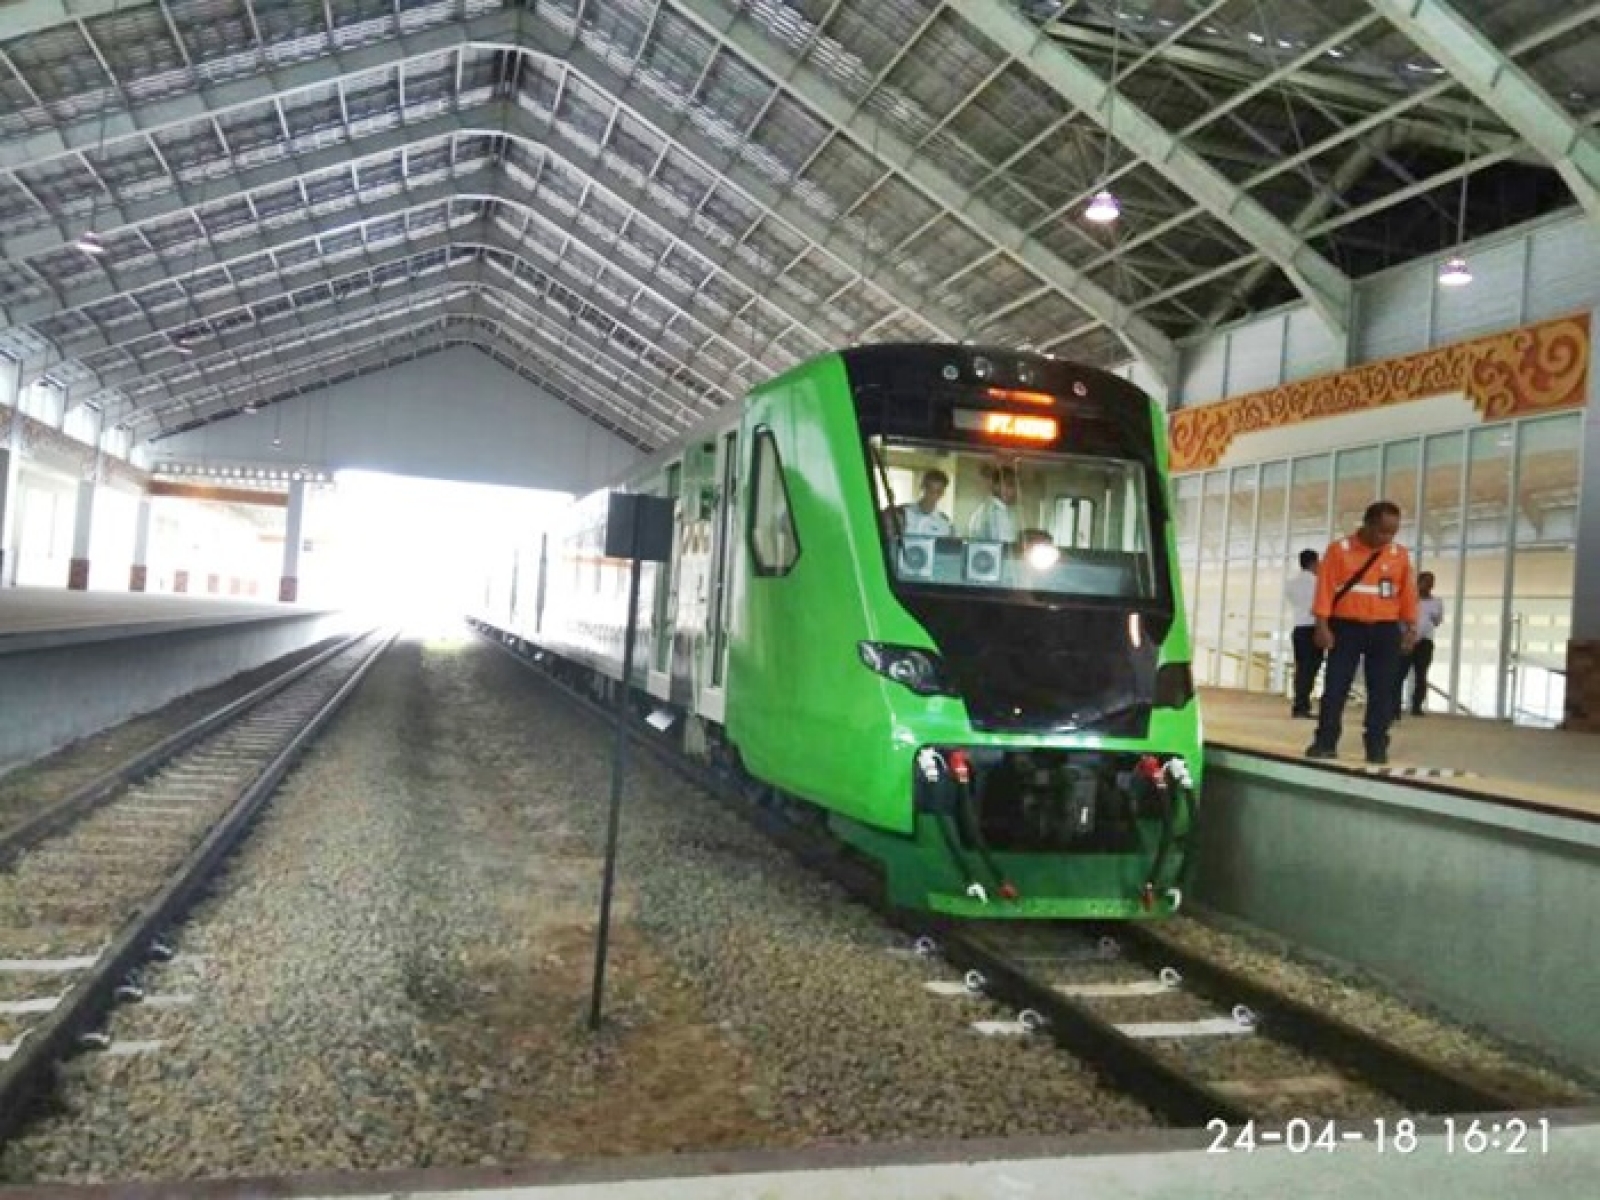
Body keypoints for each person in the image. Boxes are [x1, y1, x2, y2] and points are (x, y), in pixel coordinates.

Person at [1305, 501, 1419, 766]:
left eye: (1393, 532)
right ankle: (1326, 742)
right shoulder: (1339, 551)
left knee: (1383, 690)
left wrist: (1410, 627)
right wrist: (1322, 626)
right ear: (1366, 524)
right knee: (1336, 687)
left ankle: (1377, 745)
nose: (1387, 537)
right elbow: (1324, 590)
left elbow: (1407, 594)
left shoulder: (1398, 555)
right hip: (1346, 628)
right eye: (1382, 531)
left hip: (1385, 629)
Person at [1392, 571, 1444, 718]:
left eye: (1431, 582)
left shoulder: (1437, 602)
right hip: (1406, 639)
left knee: (1421, 675)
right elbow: (1399, 617)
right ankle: (1395, 708)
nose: (1428, 585)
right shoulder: (1409, 599)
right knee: (1399, 674)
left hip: (1425, 642)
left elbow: (1437, 621)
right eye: (1425, 581)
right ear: (1418, 582)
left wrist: (1427, 624)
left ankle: (1416, 706)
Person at [1284, 548, 1322, 719]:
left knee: (1301, 668)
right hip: (1313, 628)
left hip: (1298, 628)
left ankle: (1299, 704)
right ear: (1314, 563)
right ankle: (1302, 706)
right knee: (1310, 669)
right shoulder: (1318, 583)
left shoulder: (1291, 583)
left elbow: (1293, 601)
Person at [966, 464, 1019, 543]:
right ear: (995, 486)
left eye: (1015, 486)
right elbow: (1006, 545)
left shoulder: (989, 509)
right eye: (1010, 485)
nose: (1014, 490)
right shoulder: (992, 512)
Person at [895, 469, 953, 537]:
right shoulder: (903, 513)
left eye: (938, 491)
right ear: (922, 487)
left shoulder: (945, 523)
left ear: (943, 493)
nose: (934, 495)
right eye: (930, 489)